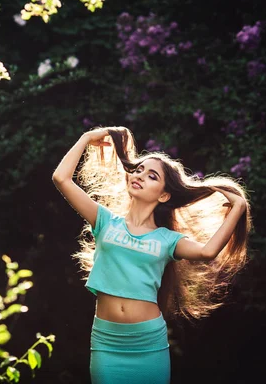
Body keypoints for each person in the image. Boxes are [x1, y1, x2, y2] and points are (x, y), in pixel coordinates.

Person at [51, 126, 251, 384]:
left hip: (147, 343)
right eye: (138, 170)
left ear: (164, 194)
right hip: (107, 341)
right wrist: (87, 137)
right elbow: (61, 179)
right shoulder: (105, 221)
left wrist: (239, 206)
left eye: (152, 176)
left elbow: (208, 251)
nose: (140, 175)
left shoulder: (167, 240)